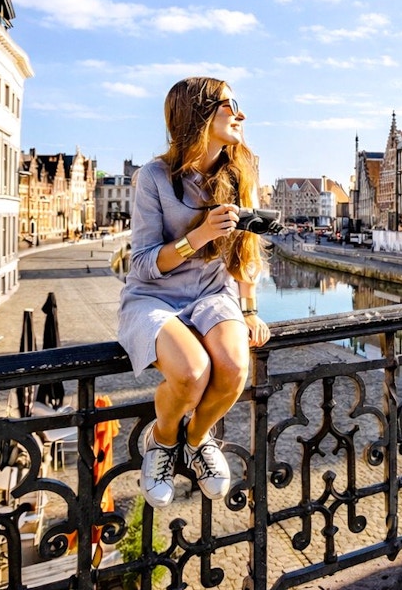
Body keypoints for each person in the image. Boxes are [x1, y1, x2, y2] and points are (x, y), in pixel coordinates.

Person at [118, 76, 271, 508]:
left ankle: (198, 437)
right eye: (229, 104)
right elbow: (143, 263)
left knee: (234, 367)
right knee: (190, 372)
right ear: (199, 114)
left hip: (212, 294)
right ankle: (161, 441)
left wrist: (251, 308)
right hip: (154, 296)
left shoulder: (241, 171)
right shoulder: (153, 178)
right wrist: (198, 236)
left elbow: (247, 246)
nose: (239, 113)